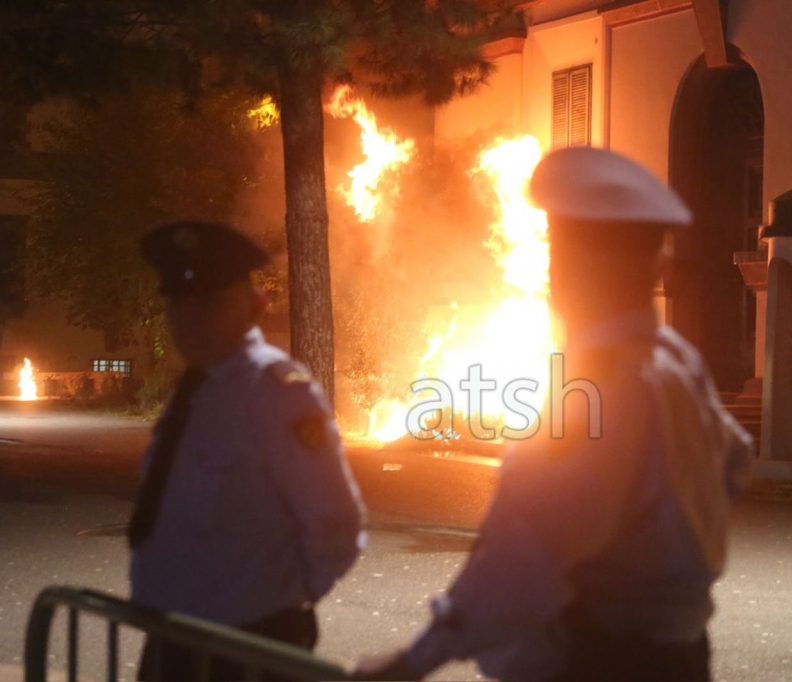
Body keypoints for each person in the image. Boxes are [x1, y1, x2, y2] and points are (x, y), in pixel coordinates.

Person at [356, 147, 753, 682]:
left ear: (571, 263)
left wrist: (412, 662)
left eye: (557, 246)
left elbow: (524, 552)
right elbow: (733, 461)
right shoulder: (676, 360)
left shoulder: (595, 387)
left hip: (603, 661)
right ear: (658, 264)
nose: (551, 266)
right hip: (679, 655)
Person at [129, 220, 366, 680]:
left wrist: (282, 611)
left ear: (253, 306)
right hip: (174, 638)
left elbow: (337, 523)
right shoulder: (196, 388)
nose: (189, 316)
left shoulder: (276, 392)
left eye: (209, 302)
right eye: (178, 301)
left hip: (246, 650)